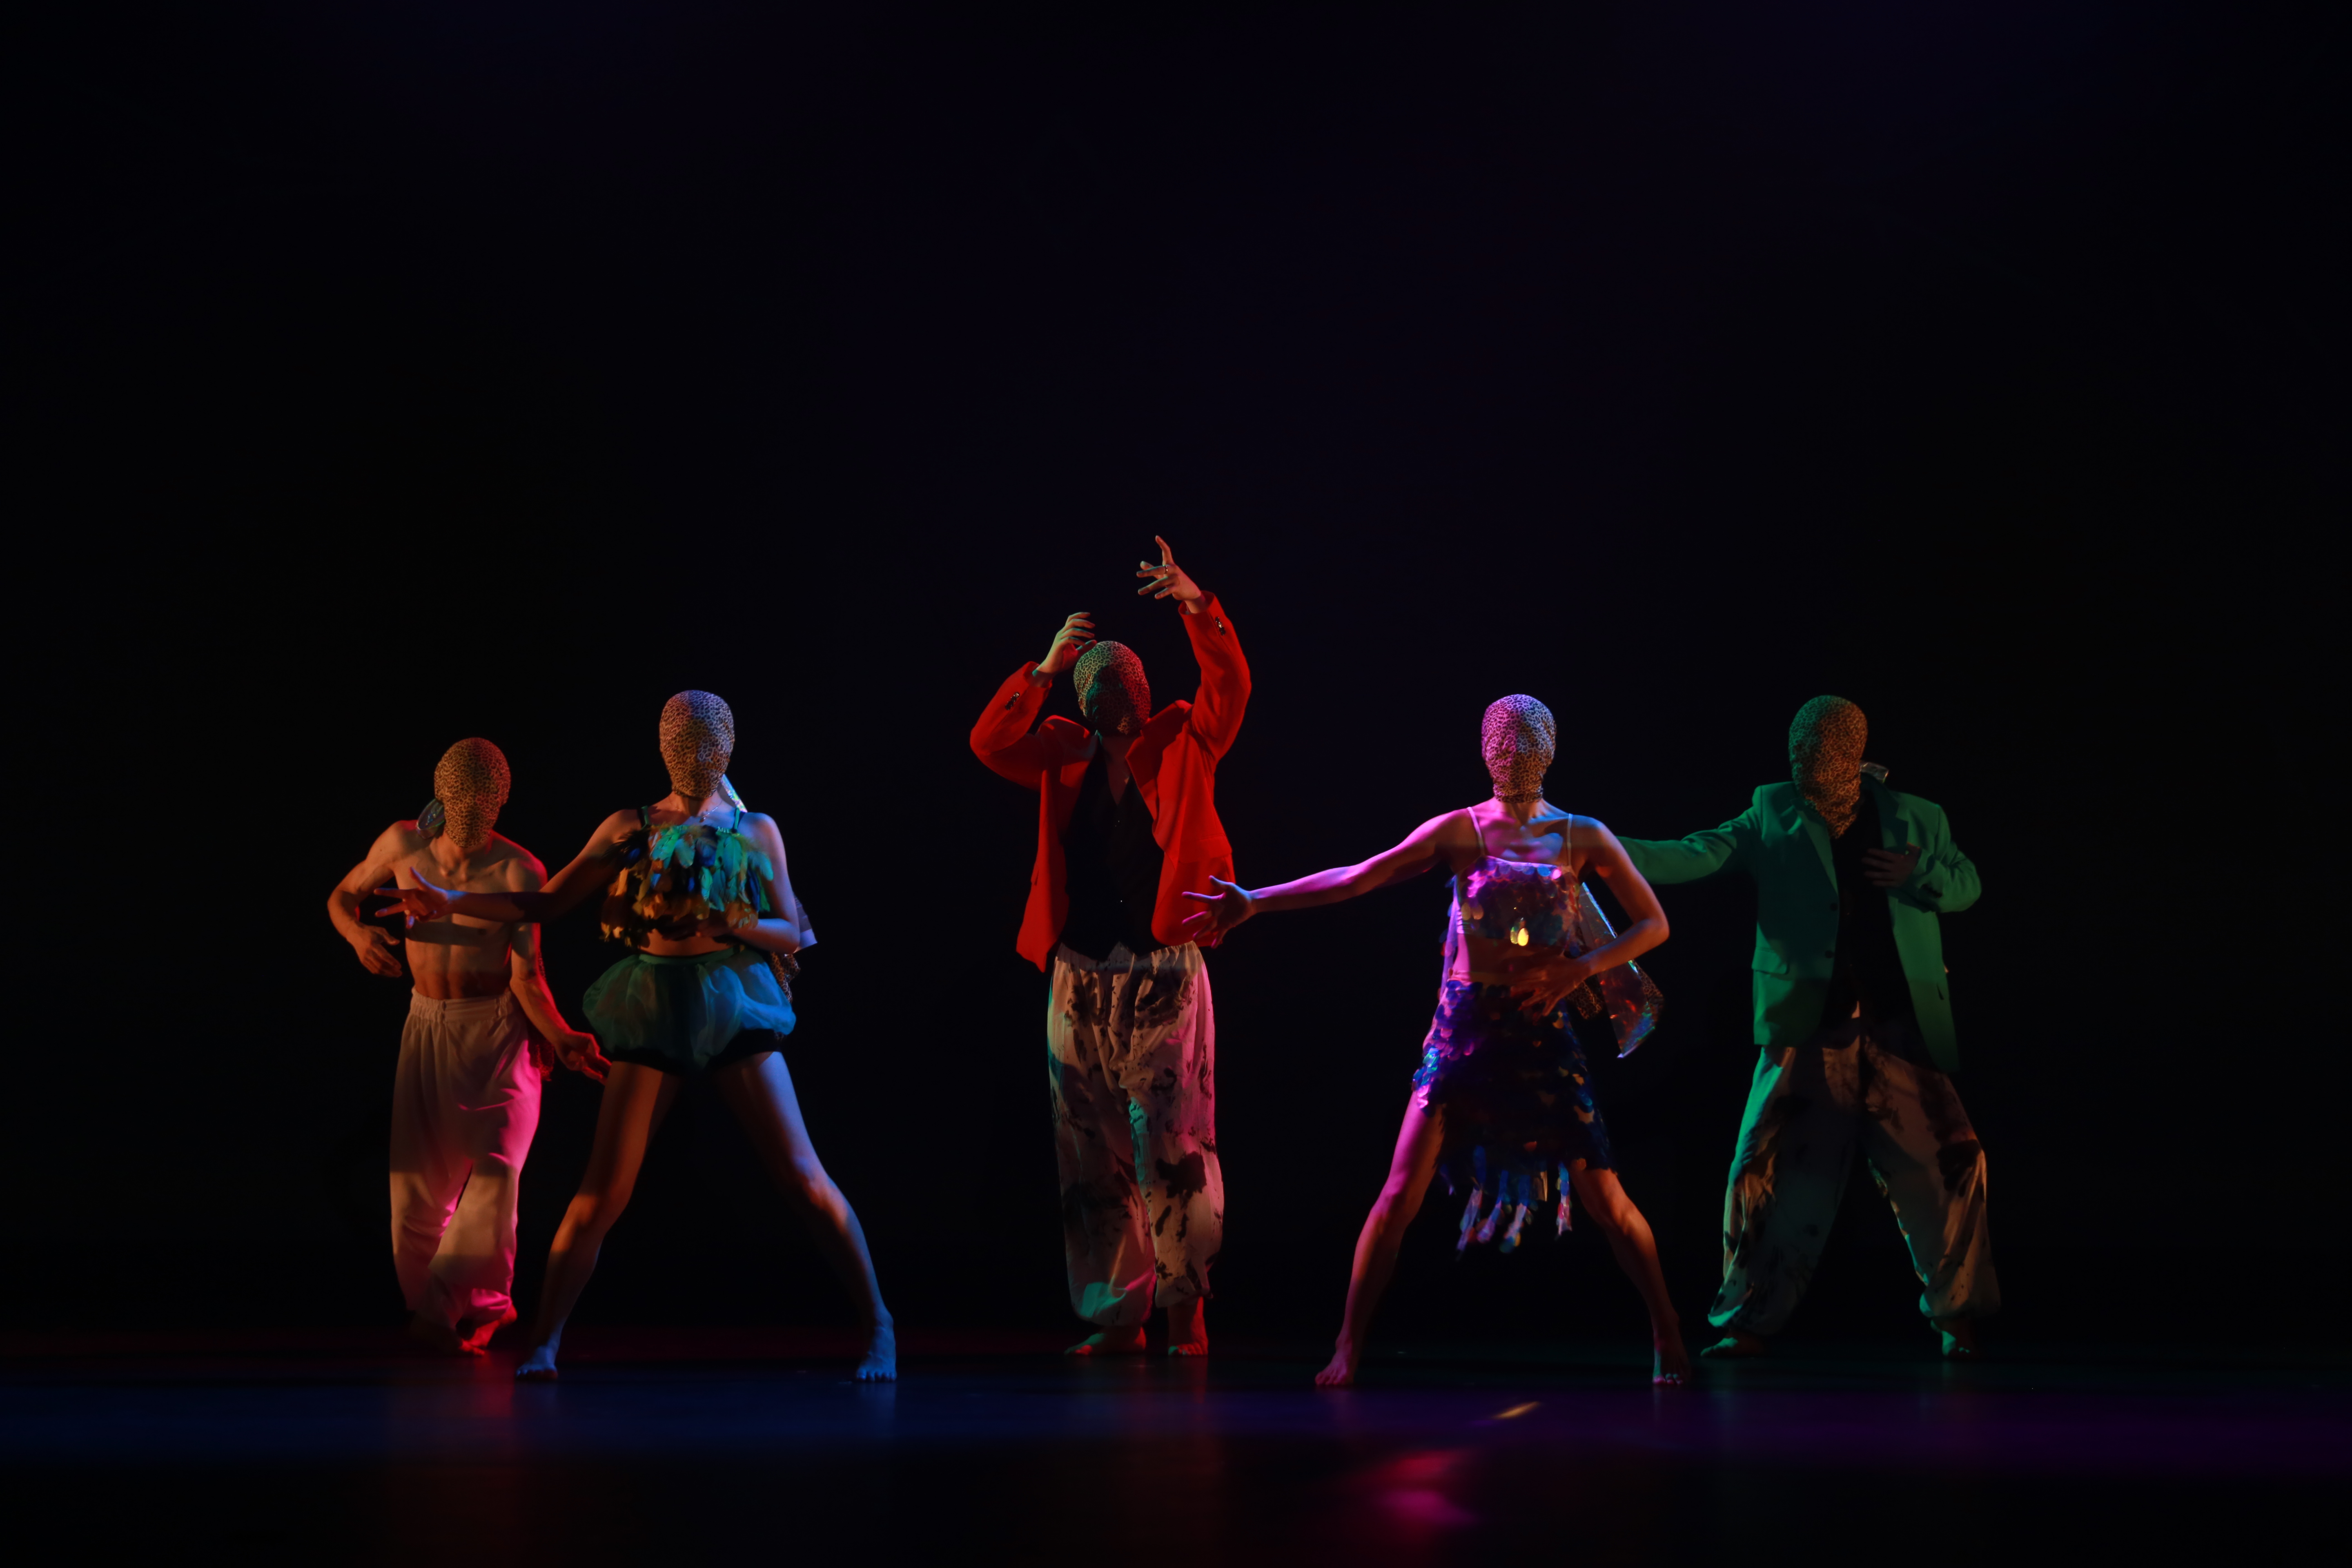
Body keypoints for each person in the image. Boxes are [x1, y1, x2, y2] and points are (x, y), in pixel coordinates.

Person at [381, 693, 896, 1381]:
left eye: (705, 744)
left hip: (731, 1004)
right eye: (681, 743)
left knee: (803, 1177)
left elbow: (790, 931)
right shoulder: (634, 826)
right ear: (662, 748)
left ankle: (879, 1323)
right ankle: (545, 1342)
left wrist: (728, 924)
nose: (693, 756)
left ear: (727, 749)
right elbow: (549, 901)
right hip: (652, 1003)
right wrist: (454, 901)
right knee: (602, 1193)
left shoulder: (754, 829)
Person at [1184, 696, 1692, 1388]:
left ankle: (1666, 1327)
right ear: (1485, 751)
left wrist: (1581, 968)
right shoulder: (1461, 831)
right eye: (1503, 741)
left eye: (1527, 740)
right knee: (1399, 1194)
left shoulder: (1583, 836)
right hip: (1465, 1033)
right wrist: (1257, 900)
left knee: (1605, 1198)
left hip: (1542, 1034)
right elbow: (1360, 877)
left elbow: (1653, 924)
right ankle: (1348, 1343)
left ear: (1549, 750)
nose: (1514, 753)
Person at [1619, 695, 1993, 1359]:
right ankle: (1746, 1323)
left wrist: (1921, 875)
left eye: (1816, 750)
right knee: (1764, 1170)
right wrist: (1592, 847)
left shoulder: (1917, 816)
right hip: (1809, 1029)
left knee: (1952, 1164)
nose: (1801, 761)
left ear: (1850, 754)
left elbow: (1968, 886)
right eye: (1796, 749)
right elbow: (1693, 854)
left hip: (1901, 1029)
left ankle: (1958, 1317)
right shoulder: (1774, 810)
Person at [969, 537, 1247, 1356]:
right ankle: (1118, 1314)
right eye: (1098, 685)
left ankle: (1186, 1308)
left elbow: (1230, 686)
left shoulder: (1186, 738)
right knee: (1089, 1148)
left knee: (1174, 1144)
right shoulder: (1061, 751)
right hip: (1079, 971)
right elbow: (990, 743)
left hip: (1163, 971)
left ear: (1145, 692)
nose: (1114, 695)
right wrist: (1043, 670)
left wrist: (1196, 603)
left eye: (1123, 683)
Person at [327, 738, 610, 1354]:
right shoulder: (403, 844)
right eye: (462, 800)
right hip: (428, 1028)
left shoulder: (519, 870)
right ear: (442, 794)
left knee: (497, 1174)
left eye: (486, 801)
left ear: (501, 801)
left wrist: (561, 1037)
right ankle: (483, 1305)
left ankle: (437, 1317)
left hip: (498, 1034)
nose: (473, 811)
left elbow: (527, 975)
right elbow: (342, 896)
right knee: (417, 1195)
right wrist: (357, 936)